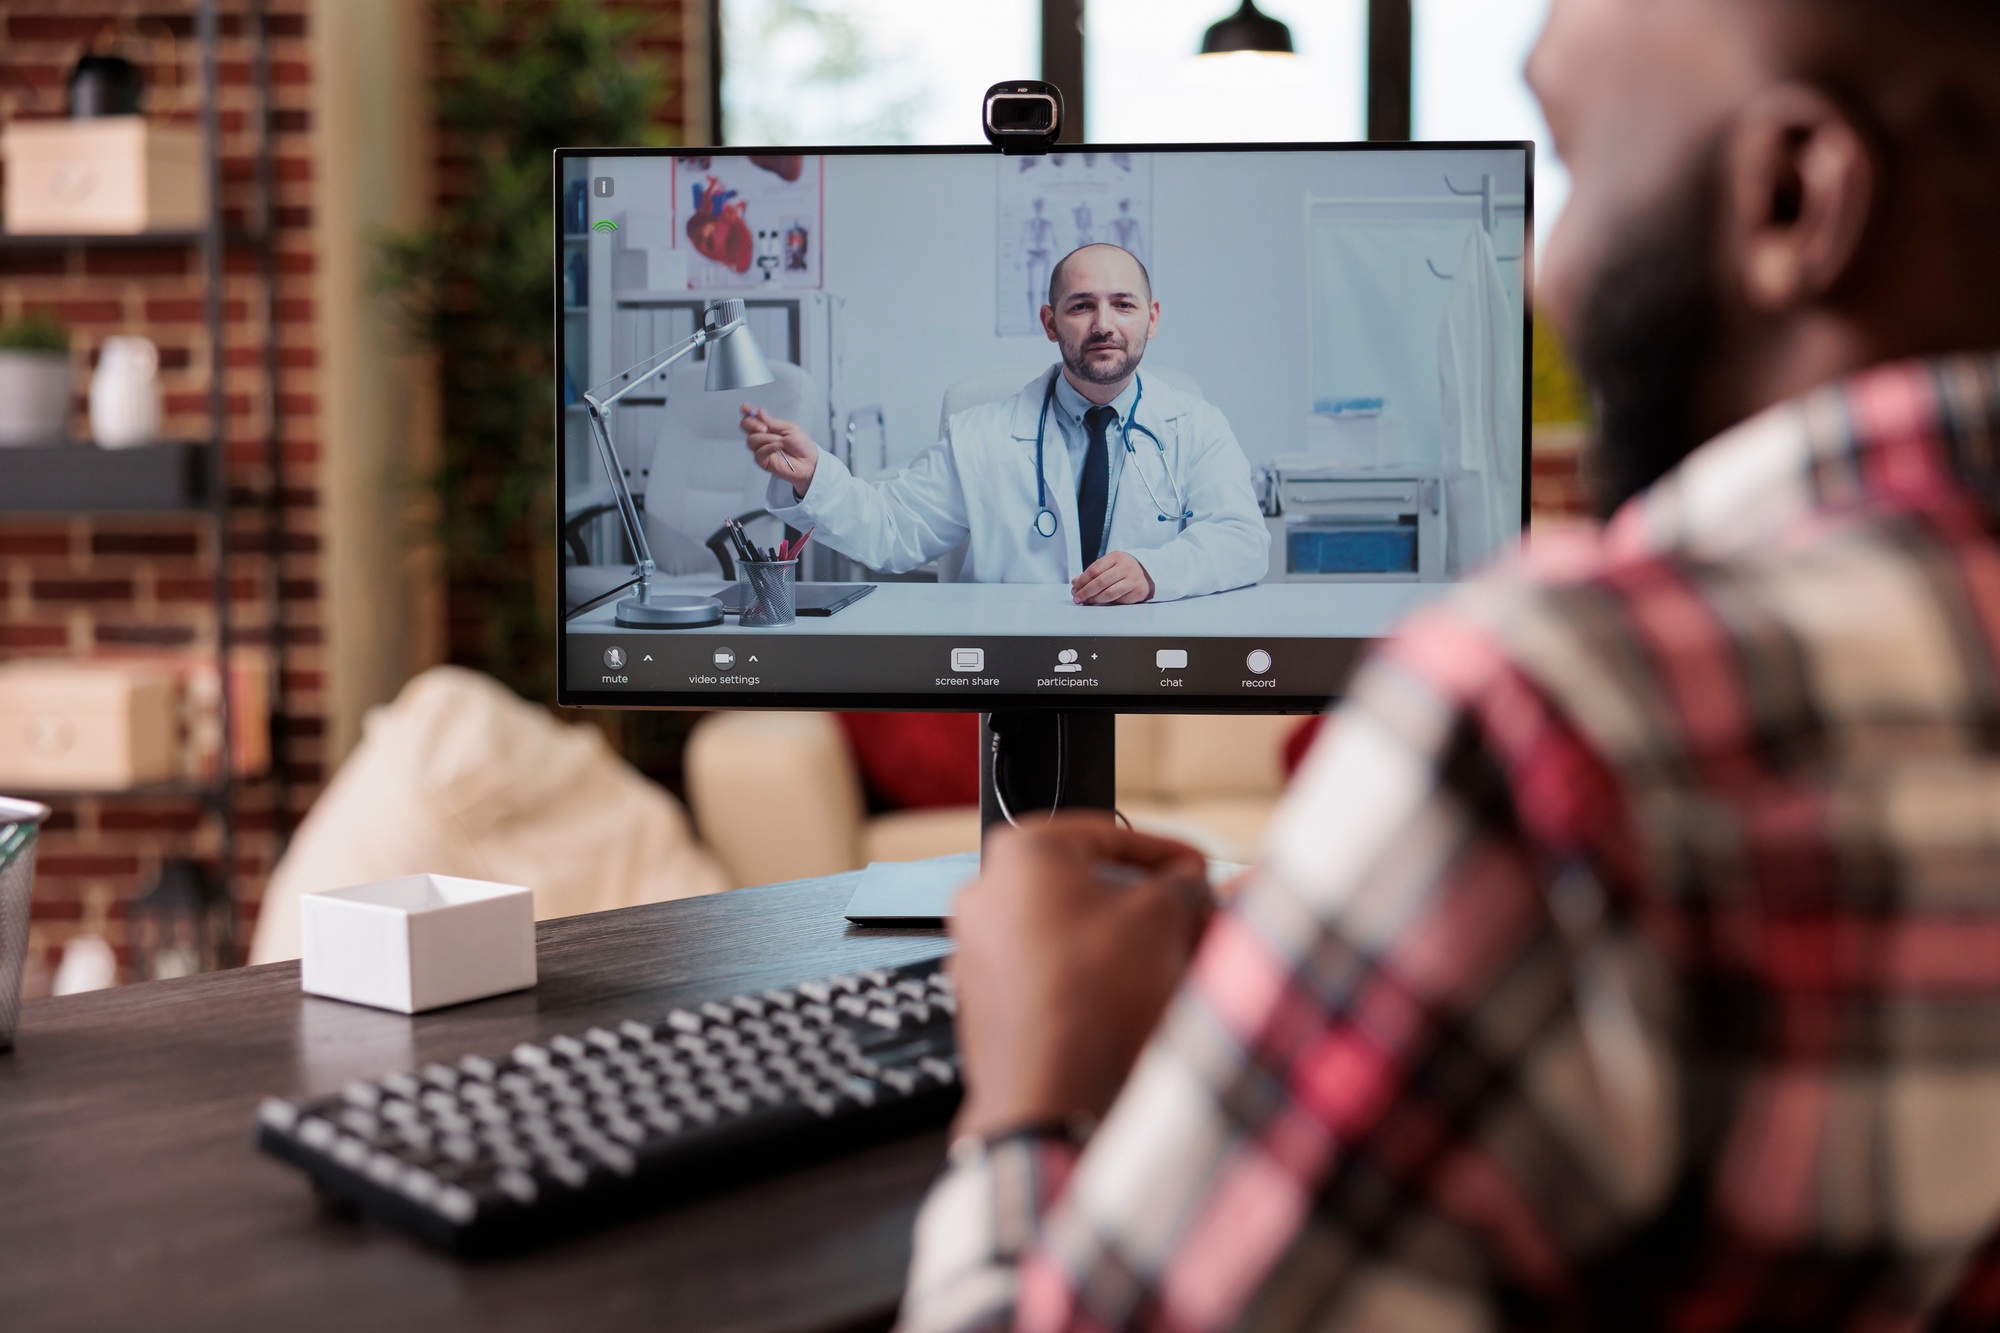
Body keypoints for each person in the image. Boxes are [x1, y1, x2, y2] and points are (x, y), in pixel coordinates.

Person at [899, 0, 2000, 1329]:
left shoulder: (1578, 717)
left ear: (1793, 196)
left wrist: (1032, 1095)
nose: (1544, 274)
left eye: (1581, 165)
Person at [738, 243, 1270, 605]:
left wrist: (1157, 573)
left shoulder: (1196, 425)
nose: (1104, 325)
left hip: (1148, 668)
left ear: (1151, 319)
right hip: (1011, 669)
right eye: (1081, 306)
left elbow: (1243, 540)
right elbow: (892, 530)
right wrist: (813, 477)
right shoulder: (980, 437)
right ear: (1049, 322)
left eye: (1122, 305)